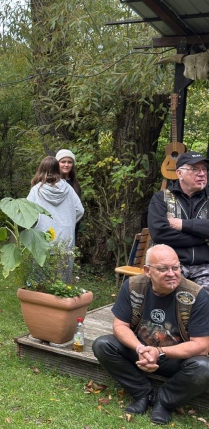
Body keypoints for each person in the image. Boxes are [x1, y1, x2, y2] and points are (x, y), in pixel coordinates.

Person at [92, 244, 209, 425]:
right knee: (102, 345)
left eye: (175, 267)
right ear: (147, 271)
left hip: (175, 358)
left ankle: (164, 401)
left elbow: (202, 346)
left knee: (204, 367)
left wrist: (159, 352)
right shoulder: (133, 285)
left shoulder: (196, 295)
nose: (171, 273)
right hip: (141, 353)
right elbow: (120, 326)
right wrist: (140, 348)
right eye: (163, 269)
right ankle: (142, 393)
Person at [148, 151, 209, 290]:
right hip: (170, 265)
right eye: (195, 169)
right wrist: (203, 237)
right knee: (167, 294)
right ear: (179, 173)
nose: (202, 173)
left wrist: (183, 224)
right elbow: (159, 233)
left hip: (205, 266)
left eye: (204, 169)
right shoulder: (161, 198)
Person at [26, 156, 84, 282]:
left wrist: (36, 225)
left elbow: (27, 213)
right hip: (65, 240)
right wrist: (69, 223)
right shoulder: (68, 188)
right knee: (62, 281)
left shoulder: (36, 190)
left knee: (40, 281)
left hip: (43, 238)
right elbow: (80, 210)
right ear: (58, 169)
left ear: (41, 170)